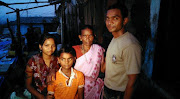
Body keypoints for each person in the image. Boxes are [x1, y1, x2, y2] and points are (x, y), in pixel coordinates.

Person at [103, 3, 142, 99]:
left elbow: (133, 81)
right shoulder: (114, 38)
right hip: (108, 89)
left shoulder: (130, 45)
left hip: (119, 93)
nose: (110, 22)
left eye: (115, 18)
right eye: (108, 18)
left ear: (125, 21)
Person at [72, 25, 105, 99]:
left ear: (94, 36)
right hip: (76, 86)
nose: (87, 38)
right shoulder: (73, 50)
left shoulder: (98, 49)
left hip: (92, 87)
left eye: (90, 35)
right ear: (80, 37)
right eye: (84, 36)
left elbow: (102, 69)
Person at [25, 33, 59, 99]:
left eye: (53, 45)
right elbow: (28, 85)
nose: (50, 48)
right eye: (47, 45)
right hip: (38, 95)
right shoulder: (32, 62)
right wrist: (43, 97)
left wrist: (55, 70)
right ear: (40, 46)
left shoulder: (58, 60)